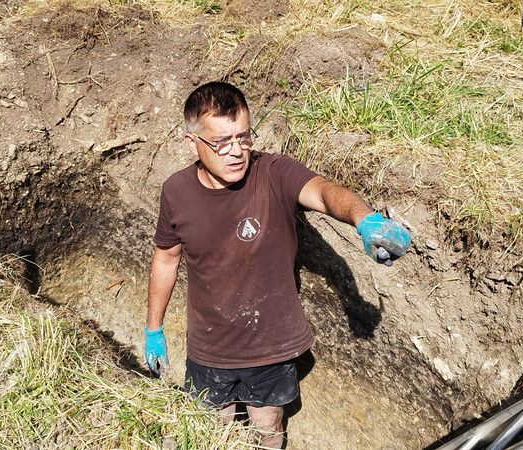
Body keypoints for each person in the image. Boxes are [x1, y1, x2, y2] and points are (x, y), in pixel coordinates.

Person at [144, 81, 410, 448]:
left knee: (268, 429)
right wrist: (153, 329)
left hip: (271, 349)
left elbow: (323, 191)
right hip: (209, 349)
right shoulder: (176, 192)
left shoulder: (273, 173)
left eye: (244, 137)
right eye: (222, 142)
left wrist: (365, 219)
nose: (237, 151)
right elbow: (166, 258)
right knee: (210, 433)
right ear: (192, 143)